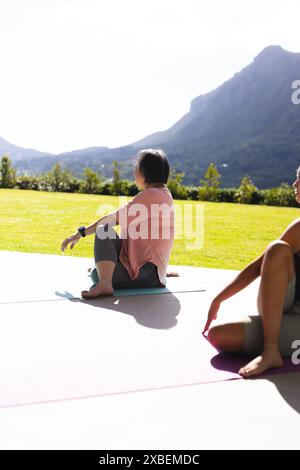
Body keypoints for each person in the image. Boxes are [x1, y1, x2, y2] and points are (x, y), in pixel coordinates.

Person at [203, 167, 300, 378]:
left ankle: (271, 350)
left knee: (276, 248)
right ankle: (271, 346)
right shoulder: (298, 229)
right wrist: (219, 299)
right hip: (290, 321)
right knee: (219, 335)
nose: (294, 185)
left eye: (298, 179)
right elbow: (259, 266)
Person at [61, 149, 175, 299]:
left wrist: (80, 234)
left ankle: (105, 285)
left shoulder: (151, 195)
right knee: (98, 270)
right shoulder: (162, 194)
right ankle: (107, 279)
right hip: (149, 271)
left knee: (103, 232)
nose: (134, 170)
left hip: (146, 274)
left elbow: (110, 220)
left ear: (145, 171)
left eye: (136, 167)